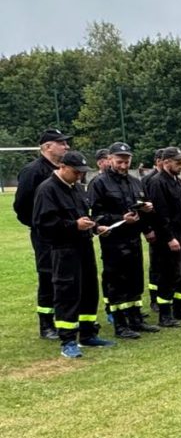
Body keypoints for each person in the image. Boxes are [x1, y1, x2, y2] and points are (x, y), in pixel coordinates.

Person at [31, 150, 115, 357]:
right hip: (63, 249)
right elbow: (44, 224)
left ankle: (88, 334)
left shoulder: (76, 188)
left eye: (82, 172)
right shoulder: (47, 189)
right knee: (67, 293)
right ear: (62, 167)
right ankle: (68, 340)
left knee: (89, 290)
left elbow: (84, 216)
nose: (79, 176)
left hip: (84, 245)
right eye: (76, 172)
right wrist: (73, 225)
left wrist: (95, 227)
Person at [89, 140, 158, 337]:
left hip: (133, 238)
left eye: (127, 162)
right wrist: (120, 218)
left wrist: (146, 209)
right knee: (117, 282)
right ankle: (120, 324)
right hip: (114, 240)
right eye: (119, 161)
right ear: (110, 159)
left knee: (135, 279)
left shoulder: (135, 181)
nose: (123, 165)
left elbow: (140, 205)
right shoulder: (99, 183)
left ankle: (136, 319)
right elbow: (96, 215)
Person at [13, 127, 71, 340]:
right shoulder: (33, 171)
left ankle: (66, 317)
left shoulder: (64, 169)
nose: (66, 147)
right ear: (47, 146)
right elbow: (21, 205)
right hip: (45, 235)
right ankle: (46, 324)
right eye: (61, 143)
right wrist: (40, 225)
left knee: (66, 275)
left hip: (66, 231)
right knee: (48, 275)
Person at [147, 147, 181, 327]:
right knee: (170, 274)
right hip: (170, 235)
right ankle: (165, 314)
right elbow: (160, 214)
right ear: (165, 162)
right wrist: (169, 238)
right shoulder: (158, 182)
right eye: (178, 162)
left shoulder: (178, 181)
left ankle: (180, 307)